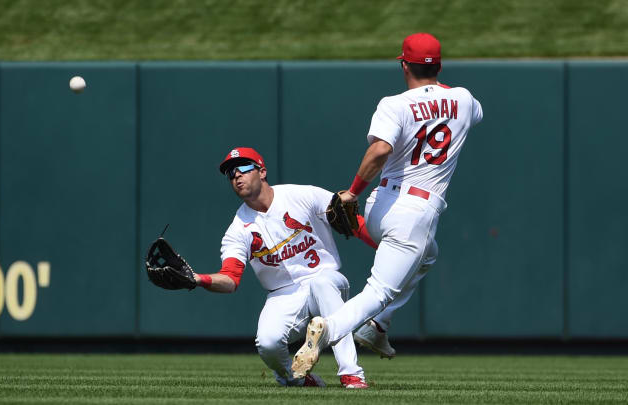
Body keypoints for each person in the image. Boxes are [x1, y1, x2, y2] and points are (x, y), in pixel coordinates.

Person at [292, 32, 484, 378]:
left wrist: (351, 192)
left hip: (381, 204)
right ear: (439, 64)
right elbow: (469, 116)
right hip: (416, 213)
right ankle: (327, 331)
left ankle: (377, 328)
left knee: (428, 254)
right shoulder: (465, 99)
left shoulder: (393, 104)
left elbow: (381, 149)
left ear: (403, 64)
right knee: (379, 290)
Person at [190, 146, 376, 389]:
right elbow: (230, 278)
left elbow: (354, 223)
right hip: (283, 294)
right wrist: (197, 279)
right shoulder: (238, 230)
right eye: (230, 173)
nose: (236, 176)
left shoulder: (301, 195)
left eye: (244, 168)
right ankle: (296, 377)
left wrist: (389, 250)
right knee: (267, 343)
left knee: (322, 285)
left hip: (325, 279)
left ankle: (351, 374)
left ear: (262, 171)